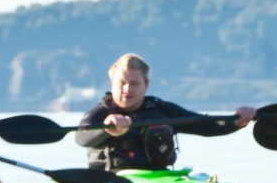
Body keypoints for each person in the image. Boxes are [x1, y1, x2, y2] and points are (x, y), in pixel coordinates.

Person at [73, 53, 257, 171]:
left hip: (158, 179)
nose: (127, 89)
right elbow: (81, 138)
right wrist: (106, 129)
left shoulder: (161, 110)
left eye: (135, 84)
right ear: (112, 84)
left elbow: (205, 125)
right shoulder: (101, 112)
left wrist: (237, 122)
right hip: (110, 182)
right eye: (121, 83)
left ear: (146, 85)